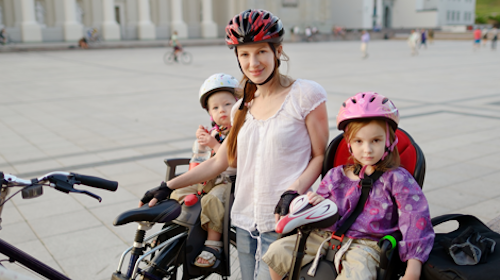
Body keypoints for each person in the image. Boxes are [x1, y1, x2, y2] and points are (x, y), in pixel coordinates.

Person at [139, 9, 329, 280]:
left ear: (278, 51)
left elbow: (320, 155)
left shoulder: (305, 94)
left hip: (283, 221)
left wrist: (292, 191)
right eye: (244, 54)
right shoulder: (241, 108)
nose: (254, 62)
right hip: (243, 221)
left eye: (261, 51)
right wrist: (167, 186)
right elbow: (220, 161)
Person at [263, 92, 435, 280]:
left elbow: (415, 219)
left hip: (366, 245)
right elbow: (322, 211)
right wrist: (318, 204)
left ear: (389, 141)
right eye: (359, 141)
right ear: (349, 144)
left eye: (375, 141)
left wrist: (413, 266)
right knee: (277, 252)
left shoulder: (398, 179)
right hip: (324, 236)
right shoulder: (336, 175)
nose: (367, 149)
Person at [178, 73, 239, 268]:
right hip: (209, 179)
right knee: (179, 191)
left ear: (239, 104)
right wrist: (203, 142)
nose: (222, 110)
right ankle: (173, 228)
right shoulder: (215, 132)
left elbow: (233, 161)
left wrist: (213, 144)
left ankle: (214, 244)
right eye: (215, 107)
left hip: (230, 184)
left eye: (227, 104)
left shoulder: (240, 131)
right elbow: (202, 160)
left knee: (213, 200)